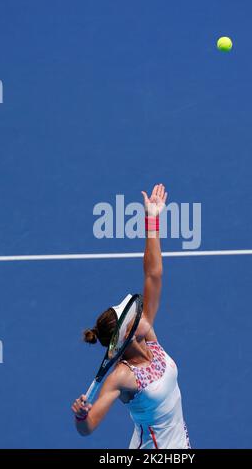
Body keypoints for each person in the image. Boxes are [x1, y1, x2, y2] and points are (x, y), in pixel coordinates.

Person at [71, 184, 191, 449]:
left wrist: (152, 220)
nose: (137, 314)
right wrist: (81, 416)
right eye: (129, 317)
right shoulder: (122, 376)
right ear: (125, 334)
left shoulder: (147, 335)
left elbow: (153, 275)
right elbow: (88, 427)